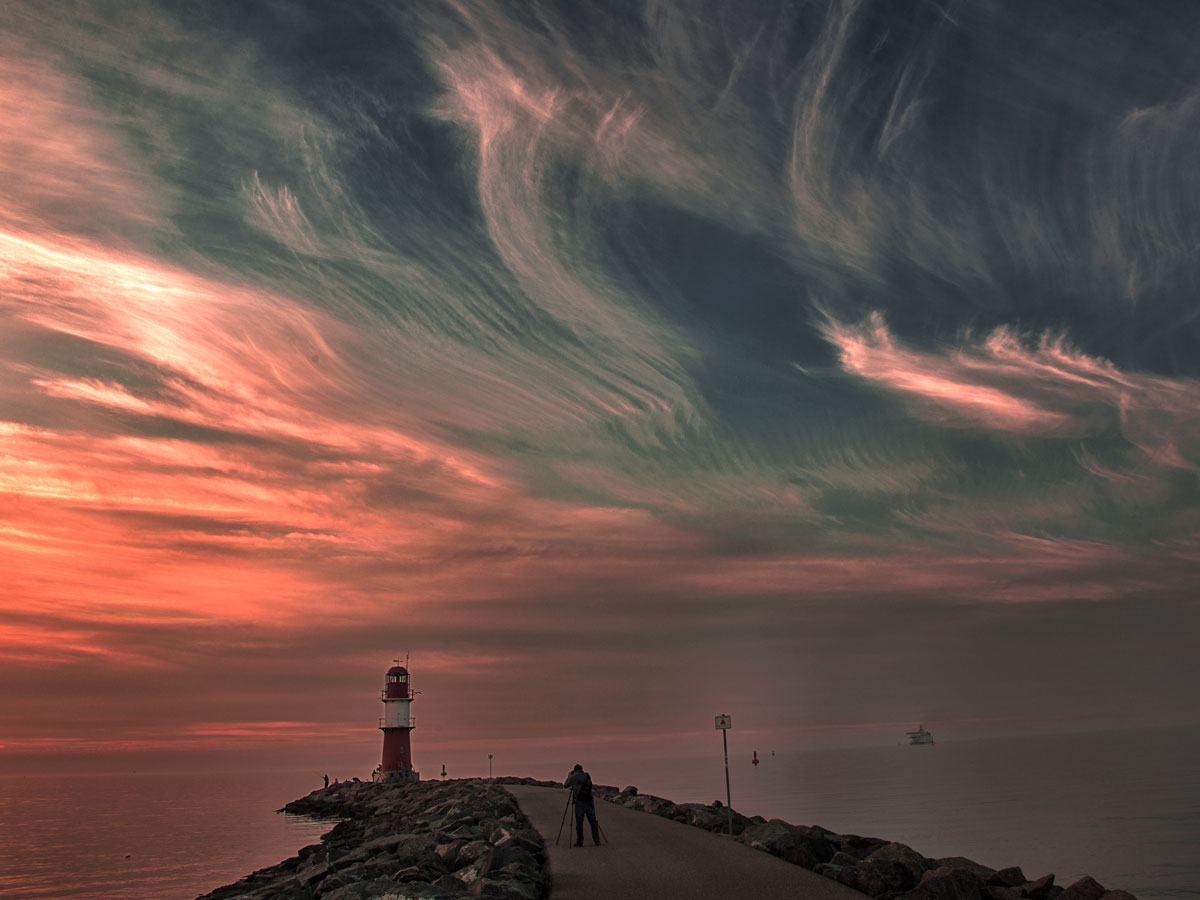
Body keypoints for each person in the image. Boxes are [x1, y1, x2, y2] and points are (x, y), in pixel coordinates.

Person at [563, 764, 600, 846]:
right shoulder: (587, 775)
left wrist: (569, 776)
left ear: (575, 770)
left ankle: (580, 841)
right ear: (582, 769)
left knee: (579, 822)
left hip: (580, 802)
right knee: (593, 821)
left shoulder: (573, 776)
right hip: (590, 800)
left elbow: (565, 785)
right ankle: (596, 840)